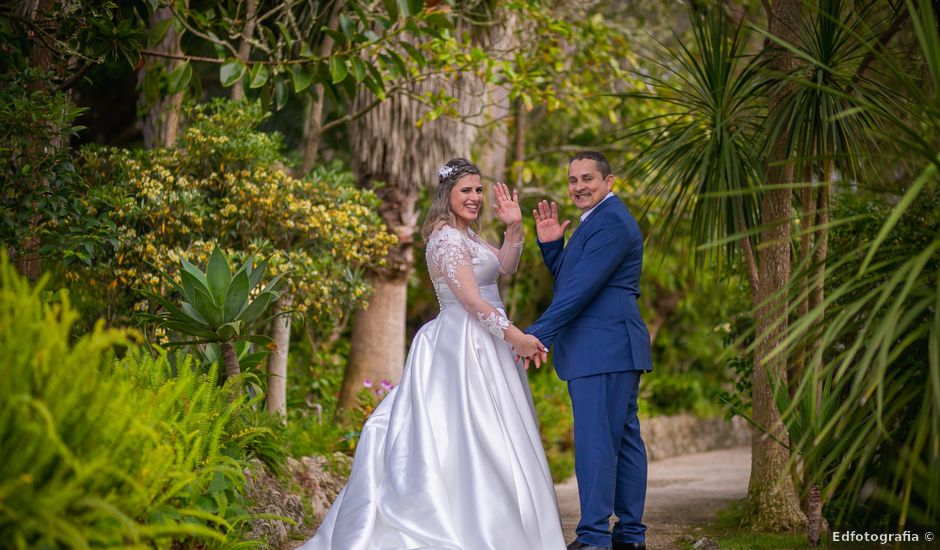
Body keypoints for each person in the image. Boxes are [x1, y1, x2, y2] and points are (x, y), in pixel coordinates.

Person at [300, 158, 565, 550]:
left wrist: (514, 227)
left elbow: (504, 267)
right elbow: (473, 301)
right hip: (462, 346)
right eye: (466, 191)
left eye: (478, 190)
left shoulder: (469, 236)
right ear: (447, 195)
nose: (475, 198)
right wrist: (516, 336)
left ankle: (505, 523)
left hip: (488, 342)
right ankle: (463, 524)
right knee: (466, 435)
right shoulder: (444, 239)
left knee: (500, 434)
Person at [526, 151, 652, 550]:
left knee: (597, 443)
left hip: (604, 347)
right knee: (623, 441)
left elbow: (580, 291)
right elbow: (574, 279)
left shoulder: (612, 222)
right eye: (572, 180)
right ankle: (630, 536)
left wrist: (536, 333)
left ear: (609, 182)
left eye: (588, 179)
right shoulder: (595, 222)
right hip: (609, 348)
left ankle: (594, 537)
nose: (579, 187)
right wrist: (552, 247)